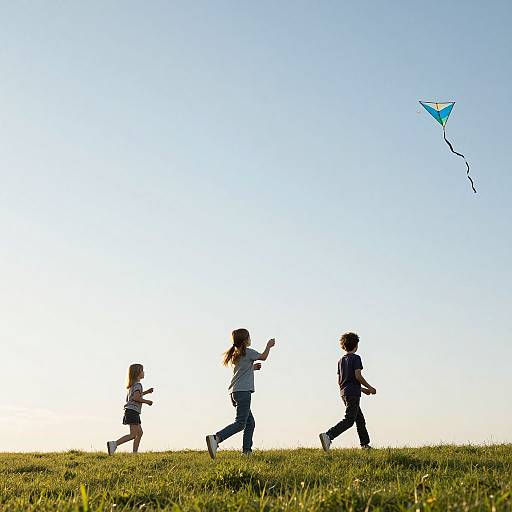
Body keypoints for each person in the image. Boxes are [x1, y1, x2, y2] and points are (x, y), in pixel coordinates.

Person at [206, 328, 275, 459]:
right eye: (249, 337)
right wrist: (268, 346)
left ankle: (247, 452)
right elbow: (263, 357)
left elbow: (241, 371)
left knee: (250, 423)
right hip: (243, 393)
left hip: (234, 393)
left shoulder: (235, 354)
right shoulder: (248, 352)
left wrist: (252, 368)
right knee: (240, 424)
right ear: (245, 340)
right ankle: (216, 438)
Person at [319, 332, 376, 451]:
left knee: (359, 419)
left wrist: (362, 389)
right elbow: (357, 376)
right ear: (356, 346)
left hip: (344, 393)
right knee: (350, 420)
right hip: (353, 394)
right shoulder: (356, 358)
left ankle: (365, 445)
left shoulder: (341, 361)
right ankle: (329, 435)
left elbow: (344, 380)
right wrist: (370, 387)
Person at [107, 363, 154, 454]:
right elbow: (136, 398)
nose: (144, 372)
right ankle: (114, 444)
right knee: (133, 435)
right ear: (137, 373)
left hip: (131, 411)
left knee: (139, 433)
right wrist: (147, 401)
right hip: (132, 412)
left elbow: (134, 396)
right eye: (142, 370)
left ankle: (134, 453)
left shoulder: (133, 385)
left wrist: (146, 392)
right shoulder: (138, 385)